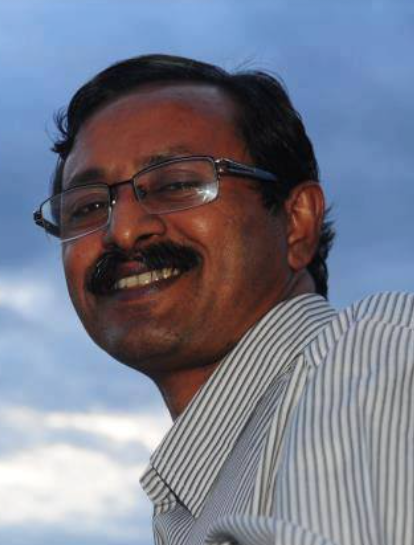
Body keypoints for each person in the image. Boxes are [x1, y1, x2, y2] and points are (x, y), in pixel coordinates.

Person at [34, 54, 414, 545]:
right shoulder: (199, 490)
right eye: (87, 207)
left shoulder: (373, 364)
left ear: (297, 222)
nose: (122, 231)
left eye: (176, 185)